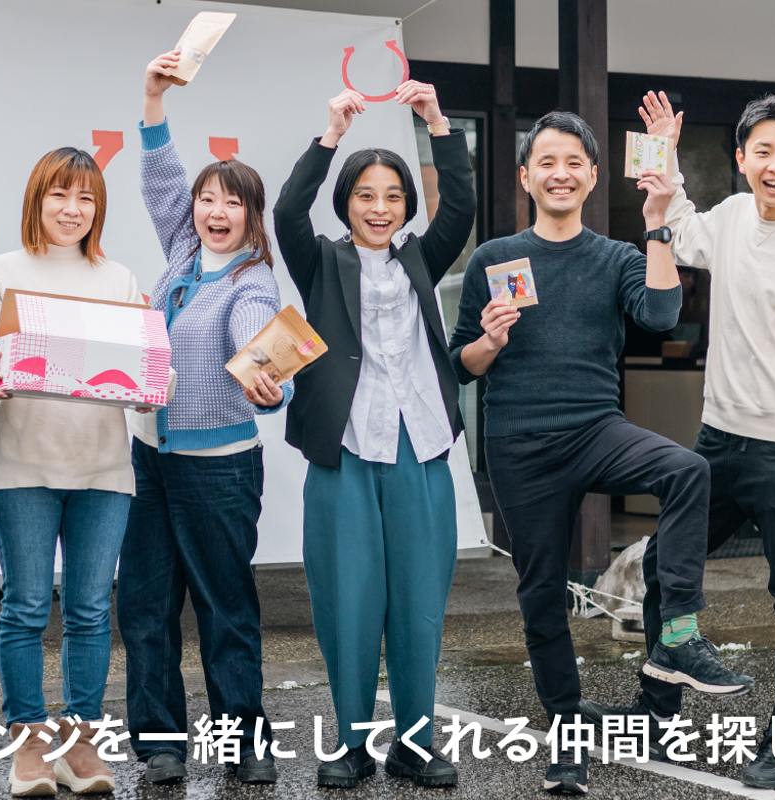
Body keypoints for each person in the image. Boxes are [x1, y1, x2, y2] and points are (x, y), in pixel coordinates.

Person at [449, 110, 752, 797]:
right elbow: (459, 364)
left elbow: (661, 315)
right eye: (546, 163)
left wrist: (657, 221)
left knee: (687, 470)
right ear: (525, 176)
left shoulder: (616, 256)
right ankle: (566, 738)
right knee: (541, 592)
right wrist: (488, 343)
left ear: (591, 177)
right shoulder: (494, 257)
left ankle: (678, 634)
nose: (560, 174)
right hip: (520, 443)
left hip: (594, 428)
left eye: (573, 164)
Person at [589, 92, 775, 791]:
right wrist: (664, 154)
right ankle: (655, 713)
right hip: (716, 440)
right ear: (742, 159)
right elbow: (676, 225)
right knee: (663, 568)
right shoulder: (732, 217)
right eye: (762, 151)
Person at [273, 80, 474, 789]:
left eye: (392, 196)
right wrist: (331, 134)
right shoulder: (321, 261)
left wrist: (438, 124)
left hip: (422, 450)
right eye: (365, 195)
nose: (380, 207)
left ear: (407, 206)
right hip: (345, 453)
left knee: (419, 607)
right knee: (347, 603)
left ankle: (414, 745)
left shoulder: (420, 258)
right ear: (347, 203)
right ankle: (351, 743)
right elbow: (286, 211)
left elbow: (462, 207)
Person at [120, 48, 294, 788]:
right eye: (207, 200)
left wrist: (267, 385)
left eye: (232, 204)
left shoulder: (253, 282)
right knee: (145, 608)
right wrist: (153, 99)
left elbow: (257, 343)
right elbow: (160, 179)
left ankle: (244, 741)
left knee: (224, 610)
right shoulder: (183, 252)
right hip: (148, 460)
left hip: (219, 470)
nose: (215, 213)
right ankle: (161, 743)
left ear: (253, 218)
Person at [0, 147, 141, 796]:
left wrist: (154, 385)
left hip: (103, 469)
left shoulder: (118, 279)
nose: (72, 210)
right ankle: (29, 744)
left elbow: (139, 370)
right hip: (22, 466)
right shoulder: (1, 272)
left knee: (91, 610)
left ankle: (79, 743)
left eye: (86, 198)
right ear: (37, 200)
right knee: (27, 606)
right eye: (60, 195)